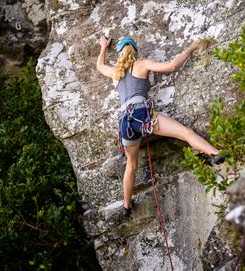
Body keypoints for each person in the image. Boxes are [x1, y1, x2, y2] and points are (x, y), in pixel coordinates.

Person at [96, 36, 228, 217]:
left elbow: (99, 66)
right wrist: (190, 48)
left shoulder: (115, 73)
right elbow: (171, 66)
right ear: (134, 51)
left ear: (119, 54)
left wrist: (103, 47)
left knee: (131, 164)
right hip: (142, 114)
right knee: (185, 132)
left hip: (125, 123)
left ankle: (126, 206)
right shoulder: (140, 64)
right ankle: (215, 154)